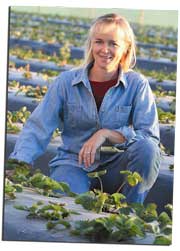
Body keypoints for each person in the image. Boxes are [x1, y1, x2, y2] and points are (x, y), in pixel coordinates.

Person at [8, 13, 161, 203]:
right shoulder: (66, 82)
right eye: (99, 42)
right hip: (73, 163)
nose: (105, 49)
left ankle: (131, 211)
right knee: (69, 206)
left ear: (125, 48)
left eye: (113, 43)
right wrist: (19, 163)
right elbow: (39, 126)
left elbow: (149, 136)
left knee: (148, 149)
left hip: (116, 166)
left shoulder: (137, 85)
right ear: (91, 44)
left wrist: (106, 134)